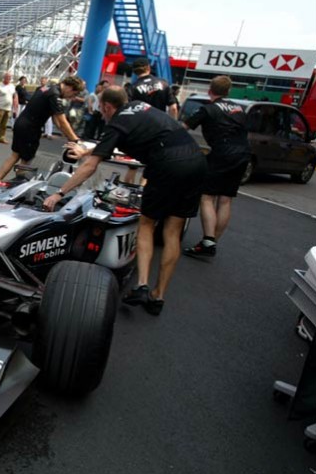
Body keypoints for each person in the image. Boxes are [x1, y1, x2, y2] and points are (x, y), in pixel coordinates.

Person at [42, 86, 207, 315]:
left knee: (147, 223)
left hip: (167, 165)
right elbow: (117, 144)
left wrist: (59, 193)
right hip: (196, 161)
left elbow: (91, 167)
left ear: (108, 107)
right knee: (172, 232)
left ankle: (141, 285)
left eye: (101, 109)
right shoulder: (141, 109)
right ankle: (158, 297)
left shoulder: (117, 121)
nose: (101, 113)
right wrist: (85, 152)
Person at [182, 75, 250, 258]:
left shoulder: (208, 109)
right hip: (243, 154)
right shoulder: (240, 109)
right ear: (228, 91)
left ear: (210, 90)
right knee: (226, 199)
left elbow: (183, 128)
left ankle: (208, 241)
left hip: (222, 153)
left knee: (206, 197)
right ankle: (210, 243)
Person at [0, 76, 85, 181]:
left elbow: (56, 119)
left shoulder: (47, 88)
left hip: (21, 123)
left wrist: (66, 134)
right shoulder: (55, 95)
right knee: (26, 160)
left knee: (15, 156)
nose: (70, 98)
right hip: (30, 128)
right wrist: (75, 140)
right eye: (73, 94)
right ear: (70, 88)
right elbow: (62, 120)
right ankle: (16, 186)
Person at [0, 72, 17, 144]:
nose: (8, 79)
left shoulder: (12, 86)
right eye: (7, 77)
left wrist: (14, 108)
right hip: (0, 107)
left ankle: (2, 138)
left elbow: (14, 97)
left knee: (4, 125)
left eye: (10, 77)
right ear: (4, 77)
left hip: (8, 108)